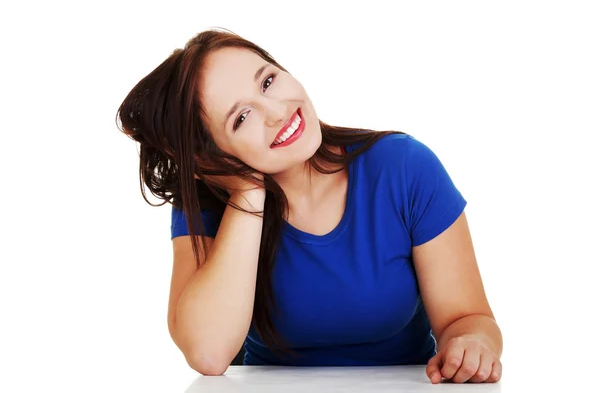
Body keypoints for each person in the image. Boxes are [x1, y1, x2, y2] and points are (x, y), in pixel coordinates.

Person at [116, 28, 503, 384]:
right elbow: (208, 353)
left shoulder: (404, 168)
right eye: (242, 118)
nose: (277, 111)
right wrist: (248, 193)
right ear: (212, 160)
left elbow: (468, 319)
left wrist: (470, 344)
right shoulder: (206, 201)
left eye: (268, 81)